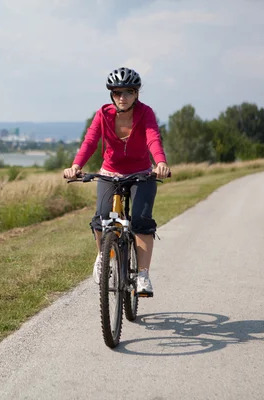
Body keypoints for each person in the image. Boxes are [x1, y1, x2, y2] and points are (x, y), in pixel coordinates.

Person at [63, 67, 170, 297]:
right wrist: (76, 166)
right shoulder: (102, 115)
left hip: (141, 173)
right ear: (111, 94)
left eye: (129, 92)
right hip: (110, 173)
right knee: (102, 218)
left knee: (141, 221)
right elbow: (90, 141)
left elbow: (153, 139)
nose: (123, 97)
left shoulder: (146, 113)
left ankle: (142, 275)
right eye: (117, 92)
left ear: (136, 94)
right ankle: (103, 256)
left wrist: (160, 162)